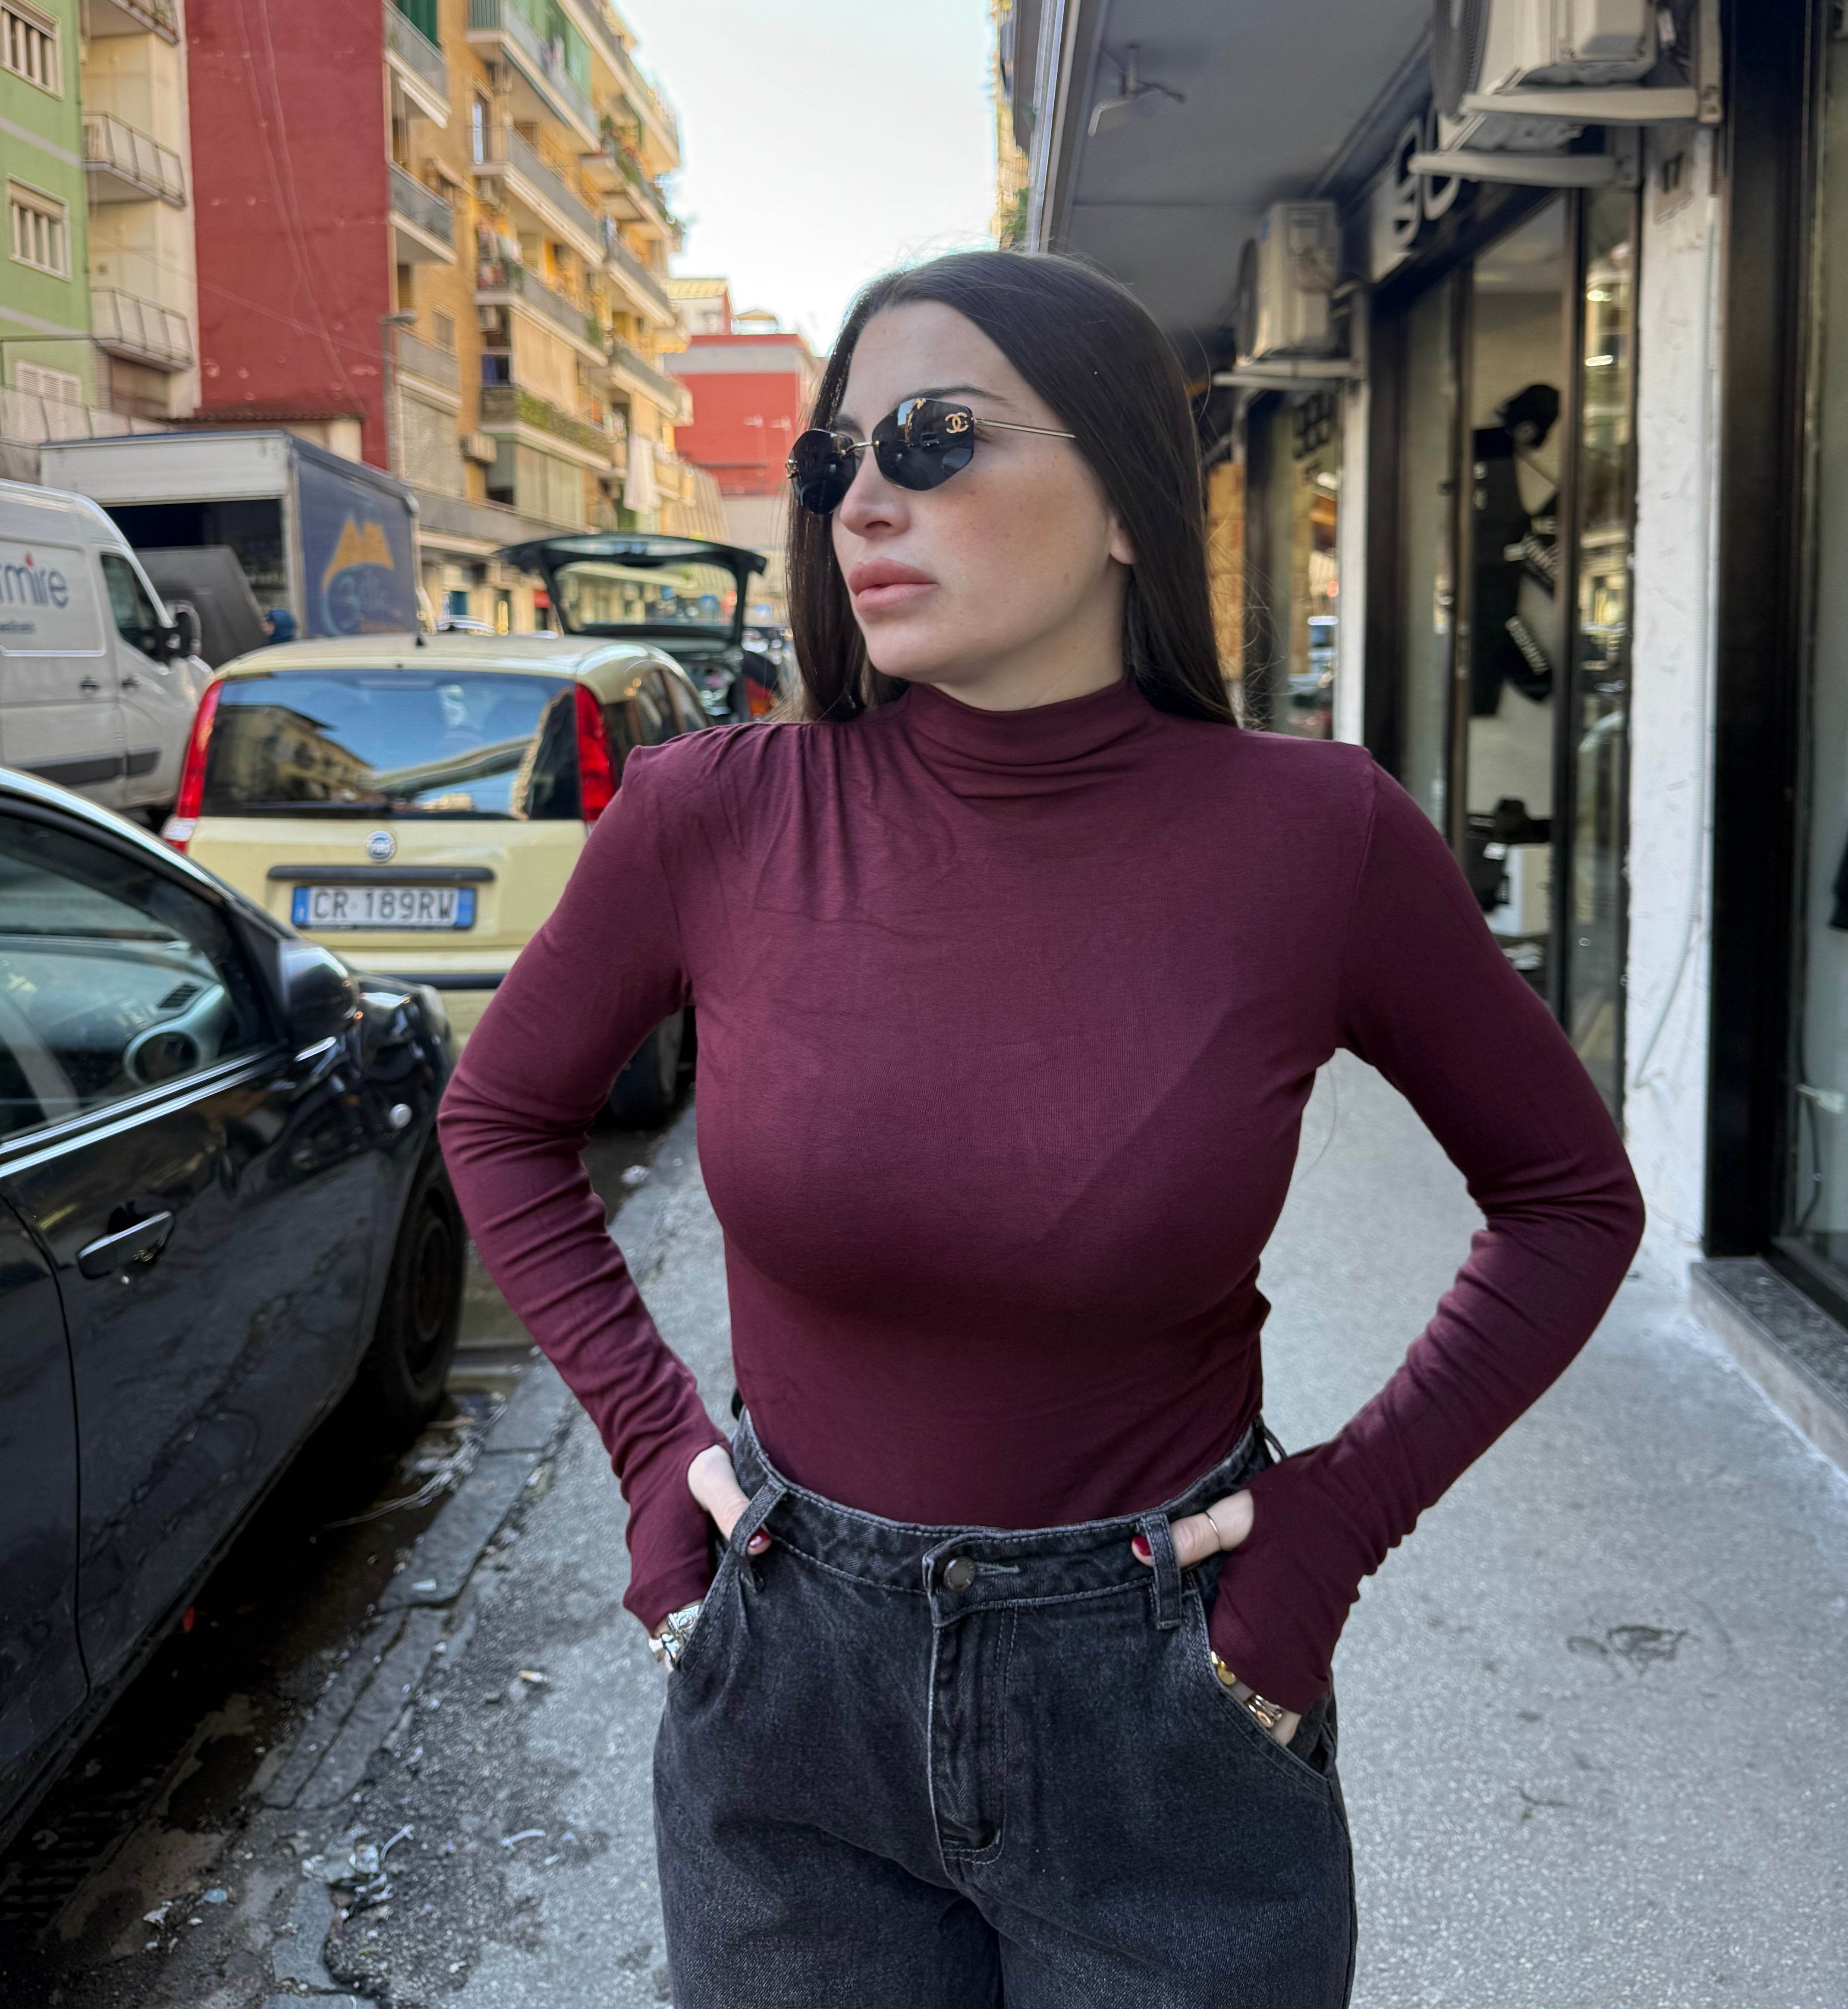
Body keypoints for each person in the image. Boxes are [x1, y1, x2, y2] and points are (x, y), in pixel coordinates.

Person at [439, 249, 1644, 2009]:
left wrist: (1336, 1526)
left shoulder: (1316, 837)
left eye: (935, 440)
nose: (863, 502)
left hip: (1167, 1700)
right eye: (833, 459)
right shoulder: (719, 815)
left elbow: (1568, 1200)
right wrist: (647, 1446)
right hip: (791, 1698)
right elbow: (498, 1119)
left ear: (1131, 505)